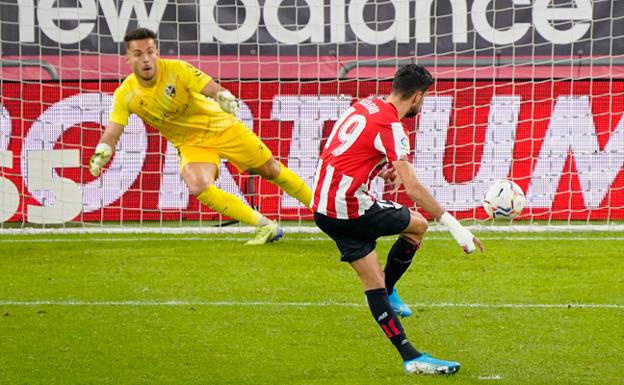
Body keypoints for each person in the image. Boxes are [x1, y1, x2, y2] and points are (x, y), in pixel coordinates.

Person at [312, 64, 484, 375]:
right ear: (418, 95)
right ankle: (391, 293)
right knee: (417, 226)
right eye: (424, 98)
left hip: (324, 209)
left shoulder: (365, 104)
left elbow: (344, 150)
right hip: (351, 207)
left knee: (372, 283)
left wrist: (378, 167)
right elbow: (414, 188)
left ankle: (410, 355)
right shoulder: (392, 127)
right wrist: (457, 228)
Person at [89, 28, 312, 245]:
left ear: (157, 52)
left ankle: (325, 210)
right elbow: (112, 130)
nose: (146, 59)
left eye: (150, 52)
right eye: (138, 54)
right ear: (127, 58)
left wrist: (222, 96)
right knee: (199, 185)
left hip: (222, 128)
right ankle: (265, 226)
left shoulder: (177, 70)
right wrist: (102, 151)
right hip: (191, 143)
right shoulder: (125, 94)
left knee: (271, 171)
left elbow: (210, 87)